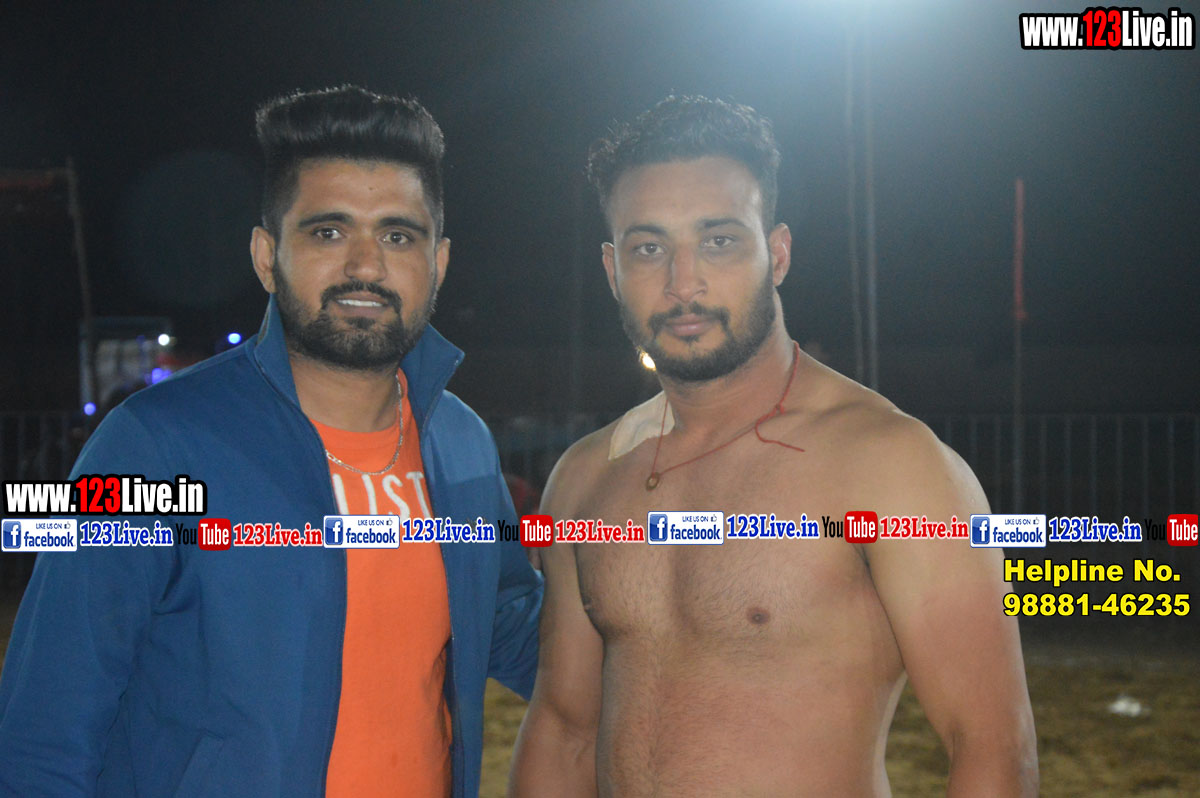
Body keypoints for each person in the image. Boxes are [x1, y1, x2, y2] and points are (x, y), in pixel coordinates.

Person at [0, 85, 541, 798]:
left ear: (437, 262)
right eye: (328, 232)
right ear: (266, 255)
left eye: (398, 236)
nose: (366, 266)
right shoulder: (150, 445)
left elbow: (510, 622)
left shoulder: (462, 441)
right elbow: (47, 726)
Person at [510, 96, 1037, 796]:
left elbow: (992, 746)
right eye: (649, 249)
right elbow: (564, 729)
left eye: (719, 241)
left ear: (777, 253)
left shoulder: (888, 464)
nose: (683, 283)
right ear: (613, 270)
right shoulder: (582, 479)